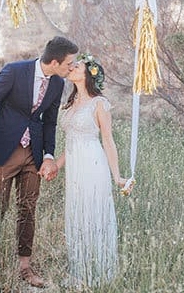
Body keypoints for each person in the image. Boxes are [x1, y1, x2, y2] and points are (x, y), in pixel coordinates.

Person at [0, 36, 78, 288]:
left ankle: (25, 267)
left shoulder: (57, 84)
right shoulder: (13, 72)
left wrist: (47, 156)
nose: (71, 68)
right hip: (4, 150)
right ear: (54, 61)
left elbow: (50, 122)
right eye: (69, 63)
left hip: (33, 155)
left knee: (27, 210)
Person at [49, 53, 133, 289]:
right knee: (77, 213)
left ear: (88, 74)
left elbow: (108, 141)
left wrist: (117, 177)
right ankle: (80, 270)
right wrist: (56, 164)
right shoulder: (71, 103)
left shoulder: (99, 104)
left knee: (93, 213)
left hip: (93, 164)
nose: (72, 67)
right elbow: (71, 141)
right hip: (75, 167)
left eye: (77, 66)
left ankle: (98, 273)